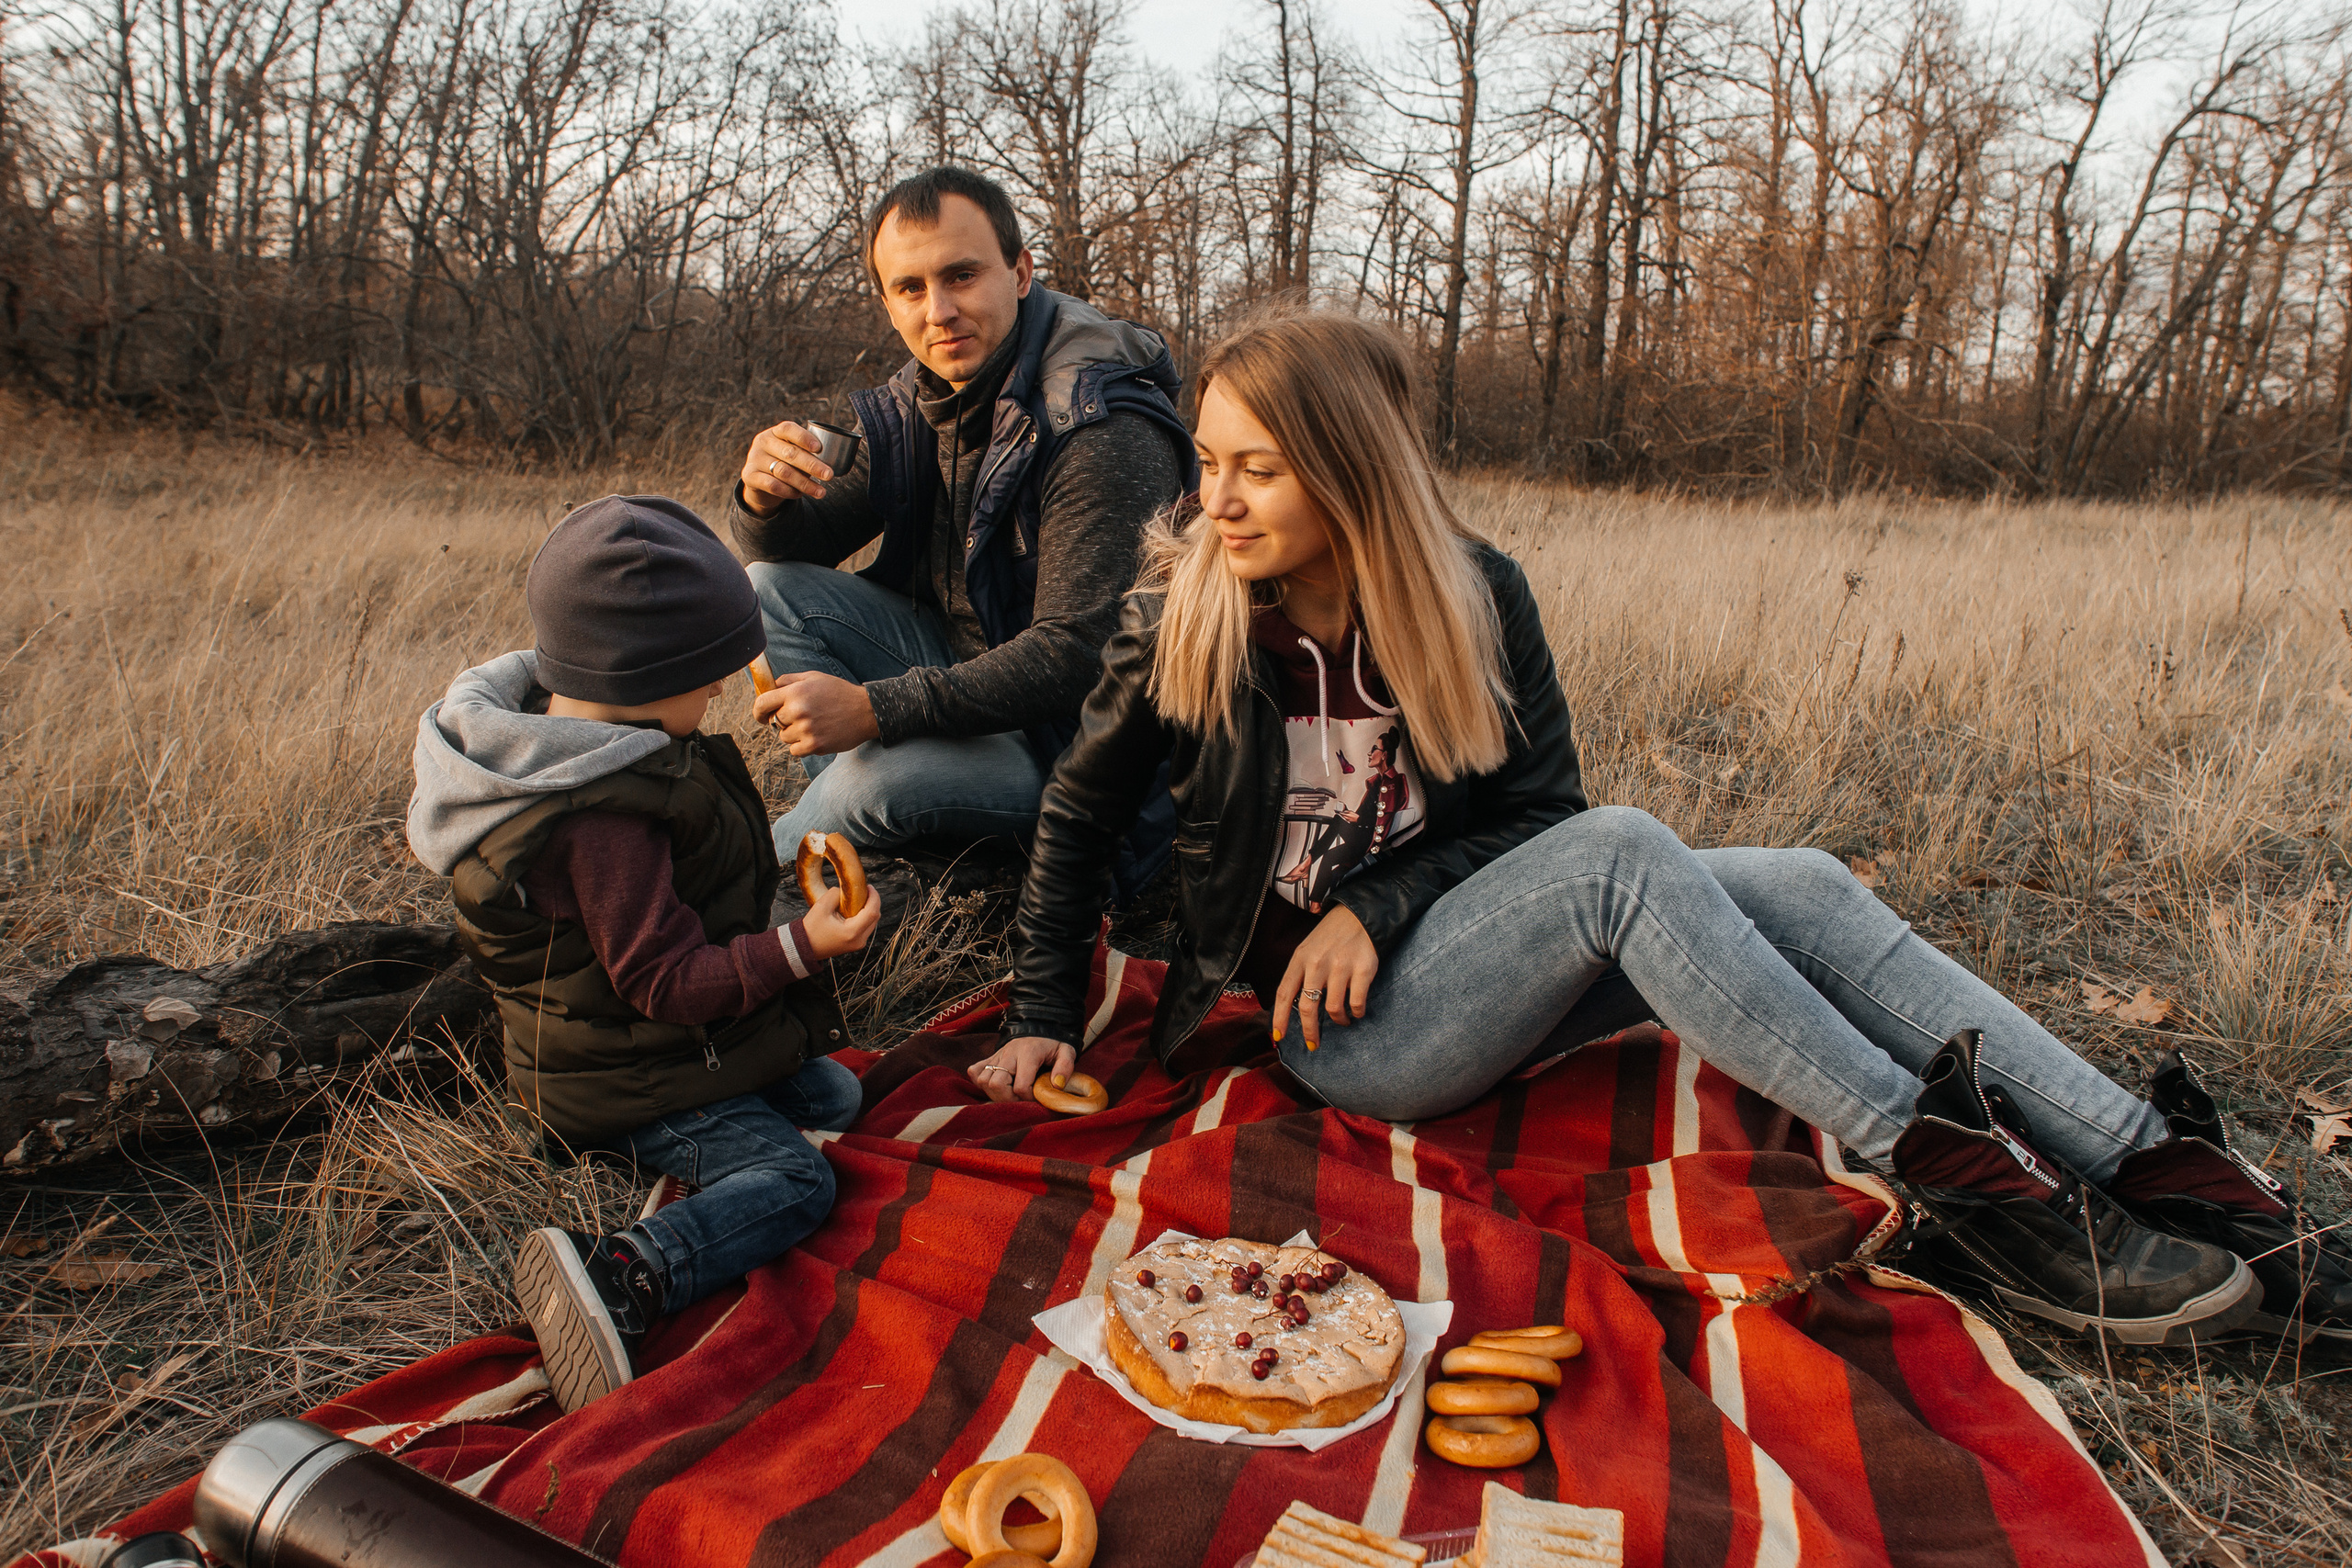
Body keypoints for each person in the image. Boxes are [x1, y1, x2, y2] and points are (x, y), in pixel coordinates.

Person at [973, 310, 2352, 1348]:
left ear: (1348, 472)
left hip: (1451, 957)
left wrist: (1380, 901)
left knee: (1802, 882)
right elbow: (1077, 811)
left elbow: (1539, 817)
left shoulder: (1472, 596)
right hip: (1344, 1037)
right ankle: (1962, 1182)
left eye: (1254, 469)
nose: (1212, 499)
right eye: (1209, 462)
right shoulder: (1184, 618)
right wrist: (1047, 1001)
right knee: (1635, 851)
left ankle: (2171, 1172)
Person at [407, 496, 881, 1414]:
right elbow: (663, 983)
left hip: (646, 1040)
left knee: (834, 1094)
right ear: (643, 675)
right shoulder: (603, 818)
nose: (717, 701)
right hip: (623, 1073)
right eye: (707, 681)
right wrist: (800, 948)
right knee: (797, 1180)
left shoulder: (590, 741)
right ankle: (623, 1271)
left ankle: (706, 1170)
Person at [730, 165, 1193, 875]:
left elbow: (1081, 655)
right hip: (966, 682)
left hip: (1079, 747)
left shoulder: (1098, 419)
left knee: (869, 780)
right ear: (888, 304)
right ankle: (877, 849)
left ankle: (742, 892)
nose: (938, 310)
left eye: (962, 275)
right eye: (911, 288)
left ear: (1021, 271)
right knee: (765, 587)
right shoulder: (924, 398)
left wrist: (878, 710)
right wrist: (765, 497)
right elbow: (800, 549)